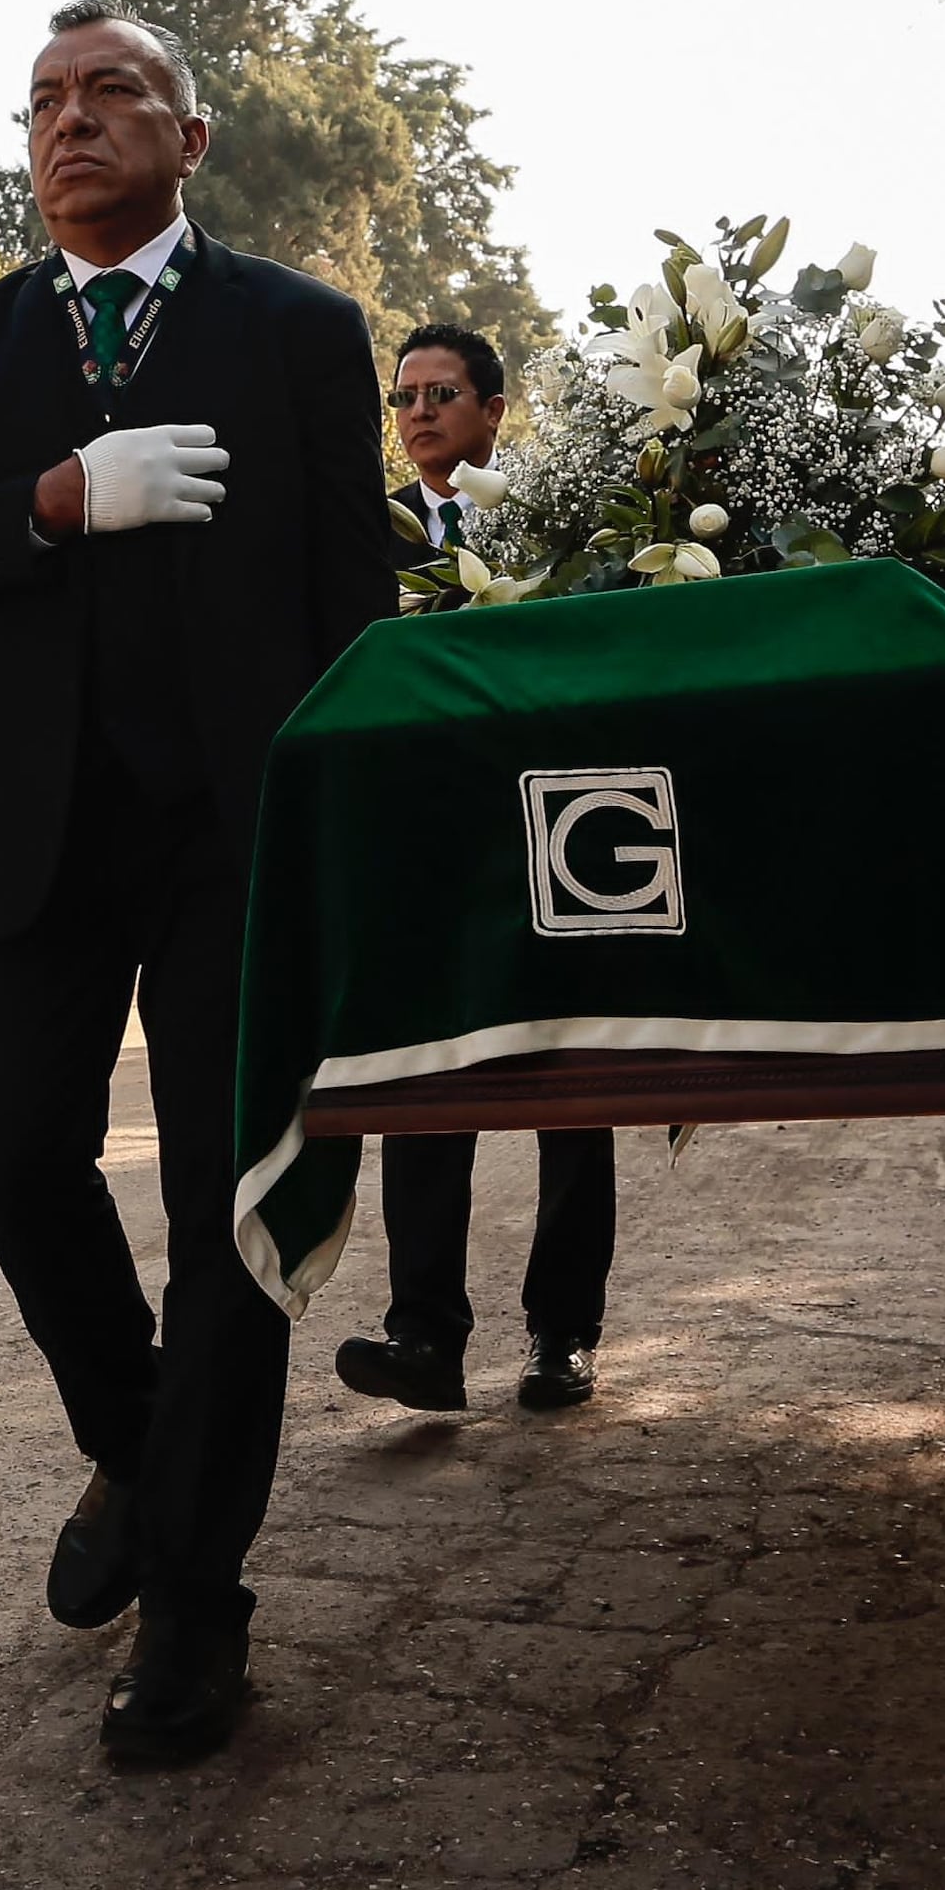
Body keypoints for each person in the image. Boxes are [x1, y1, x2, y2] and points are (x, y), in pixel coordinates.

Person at [0, 0, 396, 1770]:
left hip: (237, 834)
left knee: (231, 1209)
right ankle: (139, 1435)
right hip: (39, 836)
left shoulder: (301, 332)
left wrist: (343, 828)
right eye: (46, 100)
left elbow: (351, 602)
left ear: (191, 134)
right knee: (15, 1154)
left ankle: (197, 1599)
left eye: (114, 92)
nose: (72, 122)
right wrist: (59, 497)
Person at [335, 322, 616, 1418]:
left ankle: (561, 1335)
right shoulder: (367, 532)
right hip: (421, 841)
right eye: (400, 395)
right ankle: (423, 1338)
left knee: (571, 1087)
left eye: (440, 392)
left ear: (493, 412)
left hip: (549, 839)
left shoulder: (559, 529)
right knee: (422, 1084)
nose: (414, 412)